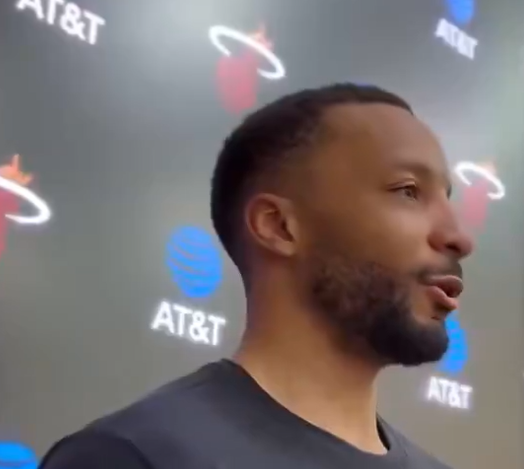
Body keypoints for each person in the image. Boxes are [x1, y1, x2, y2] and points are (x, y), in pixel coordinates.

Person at [40, 83, 473, 469]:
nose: (459, 238)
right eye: (407, 191)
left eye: (447, 197)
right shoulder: (131, 456)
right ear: (278, 226)